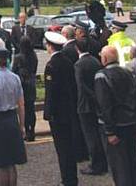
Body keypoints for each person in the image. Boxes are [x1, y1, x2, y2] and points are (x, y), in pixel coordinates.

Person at [95, 45, 136, 186]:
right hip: (131, 123)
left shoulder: (101, 76)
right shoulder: (127, 72)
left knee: (119, 167)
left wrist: (109, 131)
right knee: (133, 164)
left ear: (104, 59)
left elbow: (105, 105)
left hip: (115, 127)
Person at [43, 31, 85, 186]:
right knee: (69, 145)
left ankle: (67, 179)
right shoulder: (67, 61)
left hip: (57, 113)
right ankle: (71, 177)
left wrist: (48, 113)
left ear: (50, 46)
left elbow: (51, 92)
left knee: (62, 148)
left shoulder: (51, 65)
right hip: (69, 109)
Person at [0, 48, 27, 186]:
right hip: (12, 119)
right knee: (11, 163)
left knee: (1, 164)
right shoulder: (15, 78)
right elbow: (21, 105)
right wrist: (22, 125)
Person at [74, 37, 108, 176]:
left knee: (90, 136)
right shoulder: (95, 60)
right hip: (97, 102)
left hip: (85, 105)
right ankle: (103, 162)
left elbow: (80, 85)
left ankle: (95, 165)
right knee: (98, 134)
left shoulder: (78, 64)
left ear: (77, 49)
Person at [12, 36, 37, 142]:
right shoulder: (34, 56)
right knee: (31, 109)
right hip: (31, 84)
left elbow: (13, 71)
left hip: (23, 85)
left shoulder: (18, 57)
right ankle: (32, 131)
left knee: (24, 109)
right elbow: (34, 70)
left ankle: (27, 131)